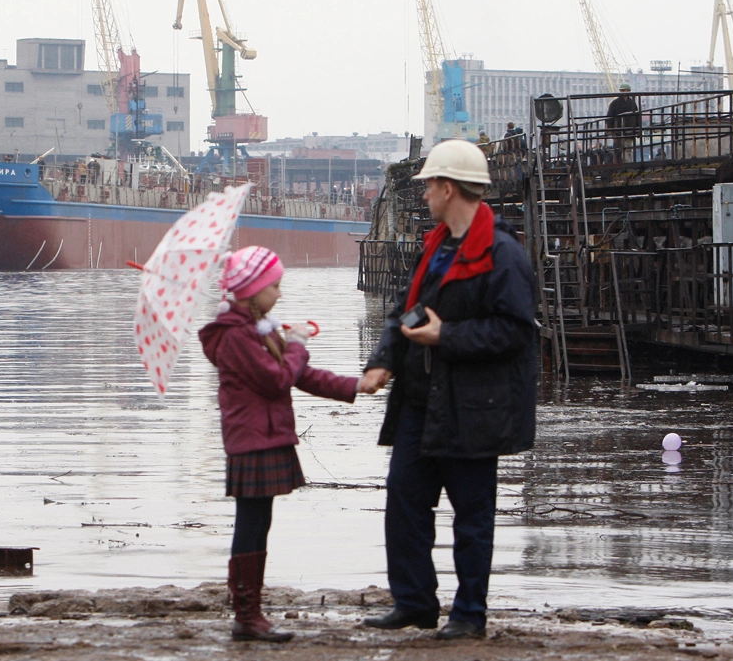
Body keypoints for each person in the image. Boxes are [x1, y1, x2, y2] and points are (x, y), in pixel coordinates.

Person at [359, 139, 536, 641]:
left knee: (472, 516)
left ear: (450, 187)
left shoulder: (502, 255)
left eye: (431, 184)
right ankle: (414, 602)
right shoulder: (436, 246)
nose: (426, 193)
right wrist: (382, 361)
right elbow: (405, 310)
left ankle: (468, 615)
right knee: (404, 502)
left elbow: (515, 331)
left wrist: (446, 336)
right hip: (420, 398)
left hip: (474, 407)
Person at [199, 246, 365, 643]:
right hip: (251, 441)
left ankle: (250, 612)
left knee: (260, 523)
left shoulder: (257, 328)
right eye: (275, 286)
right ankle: (246, 614)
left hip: (265, 437)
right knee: (251, 524)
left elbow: (299, 376)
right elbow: (276, 379)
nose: (279, 293)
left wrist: (355, 386)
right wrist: (296, 343)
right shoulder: (235, 336)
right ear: (253, 290)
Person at [606, 82, 640, 163]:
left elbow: (637, 117)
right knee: (618, 150)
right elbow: (610, 118)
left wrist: (638, 129)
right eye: (623, 90)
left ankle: (627, 165)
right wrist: (611, 132)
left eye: (626, 90)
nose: (624, 92)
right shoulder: (615, 103)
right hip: (618, 131)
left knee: (627, 149)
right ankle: (619, 166)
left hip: (629, 131)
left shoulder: (632, 103)